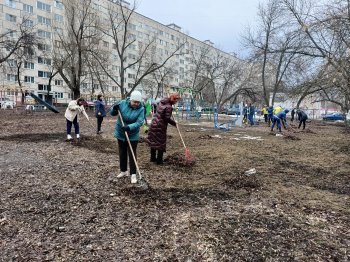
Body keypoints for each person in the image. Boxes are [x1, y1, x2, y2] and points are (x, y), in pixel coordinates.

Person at [110, 90, 145, 184]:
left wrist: (129, 127)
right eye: (134, 102)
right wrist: (114, 108)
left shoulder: (141, 109)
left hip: (133, 134)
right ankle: (123, 171)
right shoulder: (122, 103)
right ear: (131, 100)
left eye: (138, 102)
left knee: (132, 154)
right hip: (120, 133)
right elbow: (112, 113)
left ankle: (133, 174)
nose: (136, 104)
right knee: (122, 152)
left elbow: (140, 122)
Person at [147, 93, 180, 165]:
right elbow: (167, 118)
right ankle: (159, 161)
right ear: (173, 99)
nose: (176, 102)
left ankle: (153, 158)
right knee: (160, 143)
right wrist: (175, 124)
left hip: (154, 123)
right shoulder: (169, 107)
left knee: (154, 141)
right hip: (160, 126)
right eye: (175, 100)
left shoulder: (161, 102)